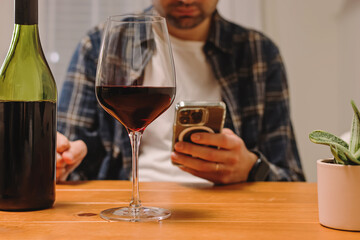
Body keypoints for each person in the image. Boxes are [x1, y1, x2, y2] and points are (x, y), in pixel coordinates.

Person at [57, 0, 305, 184]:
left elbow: (292, 179)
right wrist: (59, 163)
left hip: (229, 212)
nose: (186, 0)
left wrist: (252, 168)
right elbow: (67, 162)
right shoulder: (102, 44)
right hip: (128, 213)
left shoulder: (258, 53)